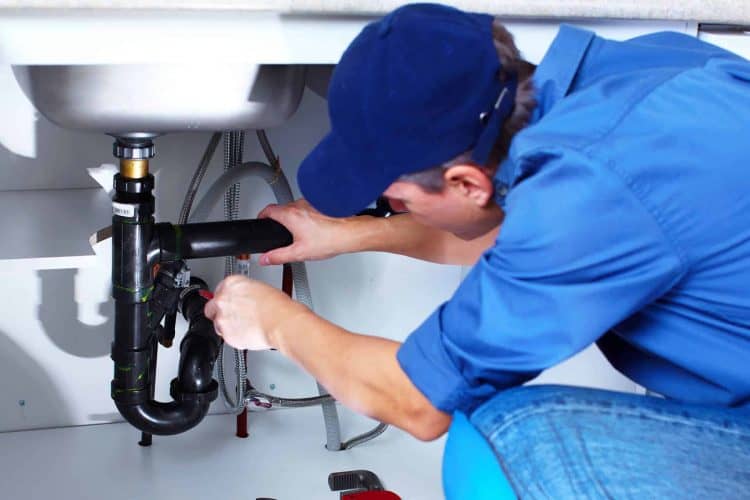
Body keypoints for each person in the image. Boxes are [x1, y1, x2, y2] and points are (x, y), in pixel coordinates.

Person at [204, 3, 750, 498]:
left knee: (498, 442)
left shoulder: (590, 193)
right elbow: (534, 237)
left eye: (394, 199)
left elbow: (418, 403)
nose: (389, 208)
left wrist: (276, 323)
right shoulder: (634, 74)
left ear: (467, 183)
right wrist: (352, 234)